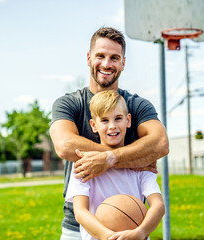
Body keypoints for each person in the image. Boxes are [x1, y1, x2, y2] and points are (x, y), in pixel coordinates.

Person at [50, 27, 169, 240]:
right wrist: (131, 158)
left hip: (131, 222)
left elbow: (160, 143)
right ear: (88, 58)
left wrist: (110, 158)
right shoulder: (70, 103)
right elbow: (65, 145)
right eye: (100, 56)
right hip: (78, 229)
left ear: (123, 62)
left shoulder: (136, 105)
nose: (106, 64)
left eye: (114, 58)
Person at [66, 90, 165, 240]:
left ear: (128, 120)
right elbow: (80, 212)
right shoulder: (83, 167)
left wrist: (141, 232)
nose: (112, 126)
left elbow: (158, 205)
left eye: (118, 118)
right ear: (93, 125)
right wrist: (110, 237)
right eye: (104, 120)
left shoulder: (141, 165)